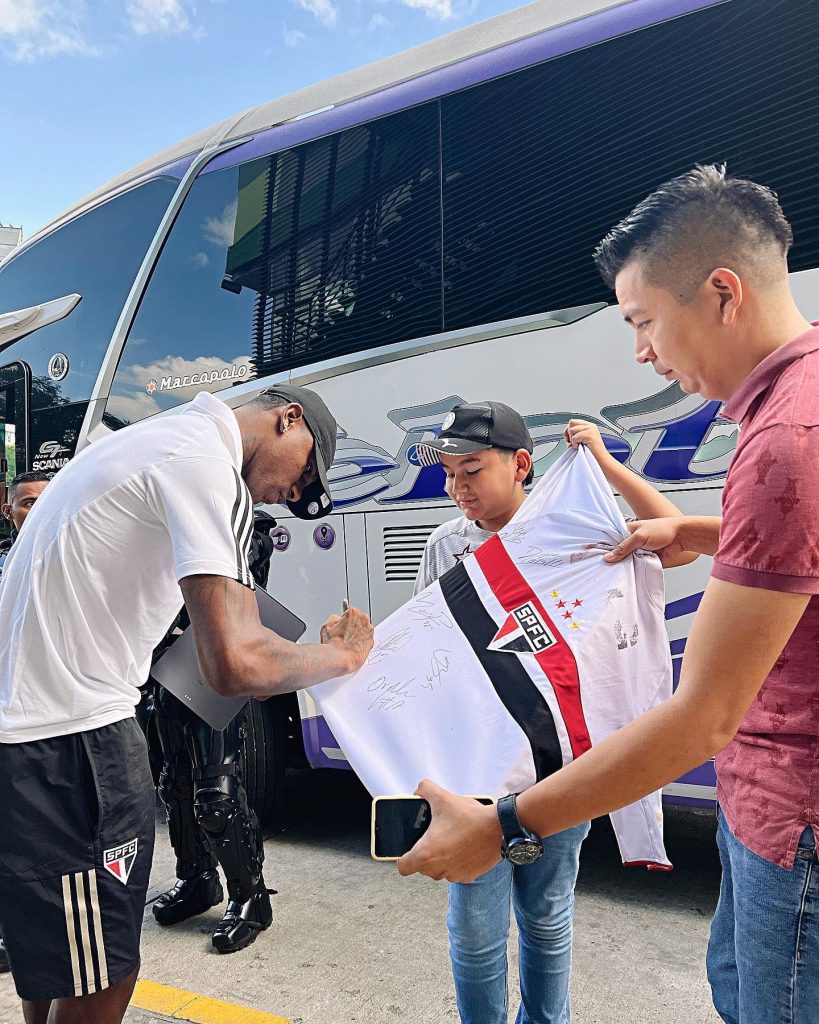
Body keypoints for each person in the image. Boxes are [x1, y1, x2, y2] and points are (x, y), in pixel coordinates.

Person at [398, 165, 819, 1023]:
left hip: (792, 821)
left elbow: (702, 715)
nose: (641, 353)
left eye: (642, 321)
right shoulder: (798, 407)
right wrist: (696, 531)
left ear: (721, 292)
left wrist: (505, 823)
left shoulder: (785, 438)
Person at [0, 385, 373, 1024]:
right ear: (289, 420)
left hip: (25, 736)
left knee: (57, 952)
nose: (291, 494)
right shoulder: (205, 460)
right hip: (73, 742)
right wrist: (343, 657)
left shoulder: (151, 441)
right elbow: (235, 665)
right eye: (305, 472)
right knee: (105, 970)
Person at [413, 401, 695, 1024]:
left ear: (520, 465)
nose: (457, 488)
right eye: (449, 474)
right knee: (476, 931)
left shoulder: (572, 531)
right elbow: (429, 648)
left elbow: (676, 537)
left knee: (547, 919)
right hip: (475, 770)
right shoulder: (446, 545)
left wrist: (602, 460)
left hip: (559, 763)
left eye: (472, 471)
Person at [148, 514, 279, 954]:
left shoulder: (238, 526)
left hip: (210, 667)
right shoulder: (157, 525)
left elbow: (241, 597)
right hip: (164, 673)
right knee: (173, 784)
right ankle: (197, 880)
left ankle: (250, 898)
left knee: (216, 795)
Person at [0, 469, 52, 975]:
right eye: (26, 503)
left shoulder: (65, 560)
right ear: (8, 510)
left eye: (45, 501)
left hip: (39, 726)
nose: (35, 510)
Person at [0, 470, 50, 575]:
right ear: (8, 511)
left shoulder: (72, 551)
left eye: (48, 502)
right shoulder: (4, 562)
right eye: (30, 504)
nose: (41, 509)